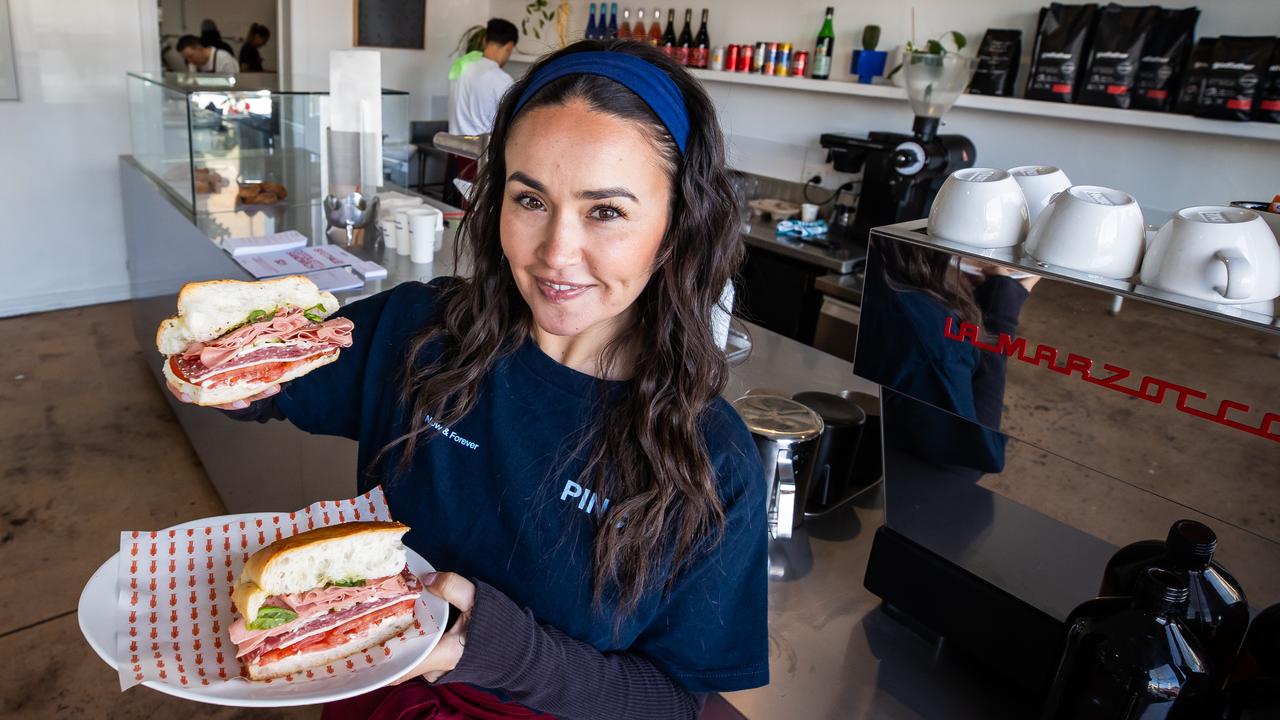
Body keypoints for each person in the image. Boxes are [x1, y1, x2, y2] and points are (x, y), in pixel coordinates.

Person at [170, 39, 767, 719]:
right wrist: (232, 374)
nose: (555, 254)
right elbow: (276, 387)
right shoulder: (420, 331)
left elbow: (671, 700)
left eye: (606, 211)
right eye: (530, 200)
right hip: (379, 695)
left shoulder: (712, 461)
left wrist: (495, 649)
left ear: (677, 227)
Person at [445, 19, 519, 206]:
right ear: (509, 47)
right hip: (479, 156)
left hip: (453, 150)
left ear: (485, 41)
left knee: (453, 209)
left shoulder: (461, 67)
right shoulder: (501, 80)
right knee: (474, 211)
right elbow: (509, 123)